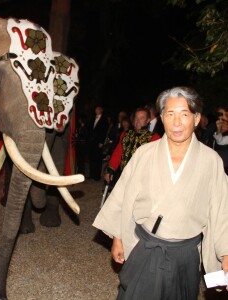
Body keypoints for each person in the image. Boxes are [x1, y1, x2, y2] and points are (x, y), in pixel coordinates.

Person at [93, 86, 228, 299]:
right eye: (170, 114)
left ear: (196, 118)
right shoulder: (145, 154)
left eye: (184, 114)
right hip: (146, 248)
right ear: (162, 118)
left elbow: (222, 210)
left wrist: (226, 252)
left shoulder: (210, 161)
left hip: (185, 254)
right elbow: (123, 195)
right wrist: (118, 236)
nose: (177, 122)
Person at [104, 107, 160, 186]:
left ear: (148, 120)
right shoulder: (126, 134)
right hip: (124, 176)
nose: (138, 121)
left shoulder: (154, 138)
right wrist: (110, 170)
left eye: (142, 118)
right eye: (136, 118)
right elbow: (118, 152)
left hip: (142, 180)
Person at [88, 105, 108, 180]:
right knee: (91, 158)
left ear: (101, 110)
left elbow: (104, 131)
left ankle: (96, 176)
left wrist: (101, 142)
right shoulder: (93, 118)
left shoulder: (104, 119)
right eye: (95, 109)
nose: (96, 110)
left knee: (97, 159)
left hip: (98, 142)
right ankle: (92, 174)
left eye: (98, 109)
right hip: (92, 141)